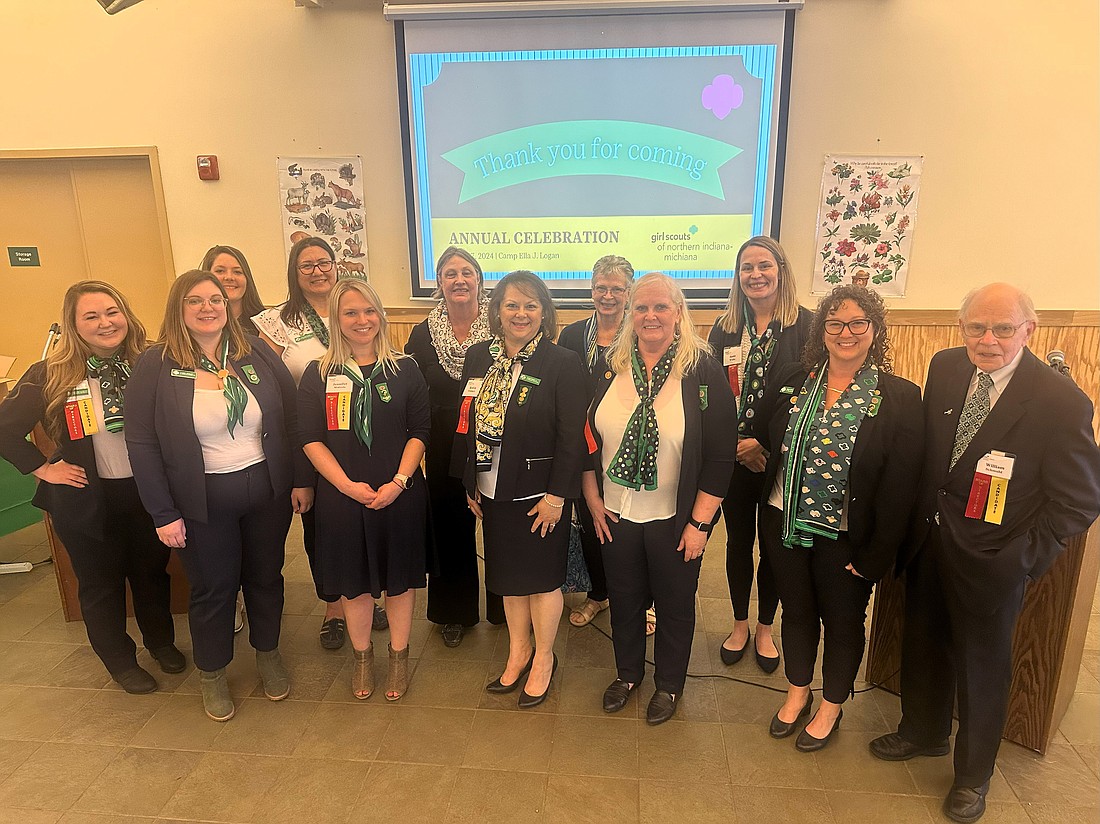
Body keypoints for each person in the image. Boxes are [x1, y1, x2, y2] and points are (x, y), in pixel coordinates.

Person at [869, 283, 1100, 823]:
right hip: (930, 542)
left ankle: (973, 776)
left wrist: (1022, 559)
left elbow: (1080, 499)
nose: (988, 340)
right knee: (922, 643)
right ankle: (922, 733)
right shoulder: (946, 367)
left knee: (982, 667)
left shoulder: (1059, 399)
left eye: (1002, 328)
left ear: (1029, 330)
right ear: (961, 328)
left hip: (994, 557)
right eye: (976, 327)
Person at [125, 270, 314, 721]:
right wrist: (162, 512)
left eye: (215, 299)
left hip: (265, 490)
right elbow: (141, 442)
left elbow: (290, 419)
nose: (208, 307)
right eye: (195, 300)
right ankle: (212, 672)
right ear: (179, 309)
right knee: (214, 587)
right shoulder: (157, 364)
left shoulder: (253, 352)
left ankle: (268, 653)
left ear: (228, 306)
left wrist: (301, 479)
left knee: (266, 578)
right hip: (200, 500)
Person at [756, 285, 923, 751]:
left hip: (848, 537)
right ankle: (797, 692)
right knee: (797, 611)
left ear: (874, 330)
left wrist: (876, 556)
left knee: (843, 620)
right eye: (834, 323)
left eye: (856, 323)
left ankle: (831, 704)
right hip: (782, 522)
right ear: (821, 330)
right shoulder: (795, 378)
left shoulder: (900, 397)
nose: (845, 333)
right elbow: (767, 435)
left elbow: (901, 488)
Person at [0, 281, 184, 693]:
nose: (105, 323)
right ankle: (120, 662)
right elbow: (4, 429)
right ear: (74, 325)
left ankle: (161, 643)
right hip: (83, 496)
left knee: (151, 574)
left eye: (112, 312)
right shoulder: (49, 372)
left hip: (144, 493)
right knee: (101, 583)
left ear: (126, 314)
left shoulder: (151, 362)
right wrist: (43, 469)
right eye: (92, 316)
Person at [583, 272, 737, 725]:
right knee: (625, 599)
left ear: (678, 313)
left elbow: (719, 455)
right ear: (630, 314)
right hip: (616, 513)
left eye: (661, 307)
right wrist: (592, 498)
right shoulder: (611, 365)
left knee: (674, 604)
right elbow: (586, 437)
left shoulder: (701, 368)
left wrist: (700, 524)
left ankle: (669, 683)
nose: (650, 315)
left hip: (676, 519)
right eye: (642, 307)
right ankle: (628, 674)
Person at [452, 270, 587, 708]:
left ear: (545, 312)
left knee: (543, 580)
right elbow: (466, 423)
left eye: (531, 305)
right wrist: (470, 481)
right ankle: (518, 651)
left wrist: (557, 497)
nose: (521, 313)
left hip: (540, 495)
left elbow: (573, 437)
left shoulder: (562, 362)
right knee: (509, 579)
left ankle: (544, 657)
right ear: (497, 310)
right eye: (512, 304)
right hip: (492, 490)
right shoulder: (477, 357)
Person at [252, 237, 387, 650]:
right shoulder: (279, 322)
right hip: (308, 435)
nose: (317, 271)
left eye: (324, 263)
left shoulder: (355, 310)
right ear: (294, 272)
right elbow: (269, 384)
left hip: (359, 435)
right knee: (322, 526)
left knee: (369, 516)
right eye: (306, 265)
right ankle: (333, 605)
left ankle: (368, 596)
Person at [299, 278, 430, 700]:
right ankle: (361, 659)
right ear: (336, 319)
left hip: (401, 494)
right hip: (342, 498)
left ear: (381, 315)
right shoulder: (318, 374)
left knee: (400, 581)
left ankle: (398, 658)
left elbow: (420, 430)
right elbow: (310, 438)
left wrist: (399, 481)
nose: (362, 320)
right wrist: (347, 487)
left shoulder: (405, 368)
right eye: (351, 313)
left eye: (369, 311)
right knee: (352, 583)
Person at [708, 236, 812, 672]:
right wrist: (734, 446)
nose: (755, 275)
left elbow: (811, 395)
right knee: (737, 543)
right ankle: (739, 623)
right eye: (747, 267)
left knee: (773, 546)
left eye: (764, 266)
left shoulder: (806, 327)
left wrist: (765, 445)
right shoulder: (724, 328)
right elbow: (708, 394)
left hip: (779, 458)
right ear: (738, 276)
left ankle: (766, 627)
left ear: (781, 271)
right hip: (732, 458)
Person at [404, 246, 501, 648]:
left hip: (497, 439)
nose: (459, 280)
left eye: (467, 272)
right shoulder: (422, 334)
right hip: (443, 442)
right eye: (449, 273)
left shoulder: (502, 326)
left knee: (500, 524)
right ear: (439, 284)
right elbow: (411, 393)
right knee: (449, 526)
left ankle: (504, 607)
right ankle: (454, 612)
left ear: (479, 279)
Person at [556, 254, 634, 630]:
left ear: (628, 292)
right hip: (581, 447)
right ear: (591, 290)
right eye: (601, 288)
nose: (608, 295)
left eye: (616, 288)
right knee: (589, 521)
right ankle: (599, 595)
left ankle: (640, 599)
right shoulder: (572, 335)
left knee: (629, 524)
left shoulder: (640, 332)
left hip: (627, 446)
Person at [199, 245, 266, 336]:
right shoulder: (197, 323)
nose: (229, 277)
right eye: (220, 271)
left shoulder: (265, 324)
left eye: (237, 272)